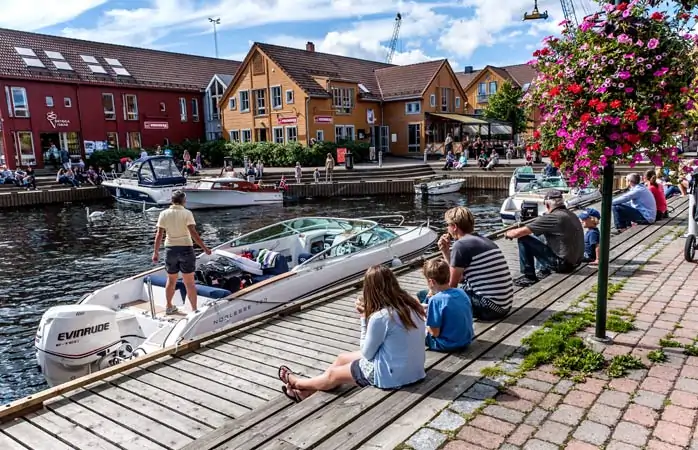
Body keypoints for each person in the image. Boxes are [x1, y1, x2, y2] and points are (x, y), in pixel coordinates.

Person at [278, 265, 426, 402]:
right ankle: (308, 392)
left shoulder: (380, 317)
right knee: (341, 358)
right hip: (415, 371)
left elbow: (367, 354)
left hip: (391, 378)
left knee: (334, 375)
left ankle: (298, 383)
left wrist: (363, 319)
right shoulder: (411, 305)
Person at [431, 206, 514, 320]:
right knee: (457, 290)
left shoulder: (461, 245)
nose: (447, 229)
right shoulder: (485, 240)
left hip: (489, 307)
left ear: (454, 227)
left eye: (448, 225)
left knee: (430, 295)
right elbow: (461, 278)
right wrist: (445, 251)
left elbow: (451, 285)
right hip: (504, 306)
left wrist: (433, 292)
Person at [505, 189, 585, 287]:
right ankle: (544, 270)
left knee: (523, 239)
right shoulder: (571, 214)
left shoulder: (553, 217)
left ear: (547, 205)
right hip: (575, 263)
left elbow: (518, 233)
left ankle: (529, 276)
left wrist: (508, 232)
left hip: (563, 265)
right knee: (541, 235)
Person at [152, 190, 211, 314]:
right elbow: (193, 233)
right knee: (189, 282)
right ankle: (194, 310)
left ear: (172, 200)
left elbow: (159, 235)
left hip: (170, 250)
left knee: (171, 280)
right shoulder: (187, 213)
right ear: (183, 201)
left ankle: (169, 306)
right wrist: (204, 248)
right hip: (186, 249)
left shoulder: (164, 214)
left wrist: (156, 252)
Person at [421, 259, 474, 352]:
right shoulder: (462, 292)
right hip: (466, 340)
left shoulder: (435, 300)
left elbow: (435, 333)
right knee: (423, 294)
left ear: (431, 282)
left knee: (415, 325)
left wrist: (424, 318)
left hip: (447, 344)